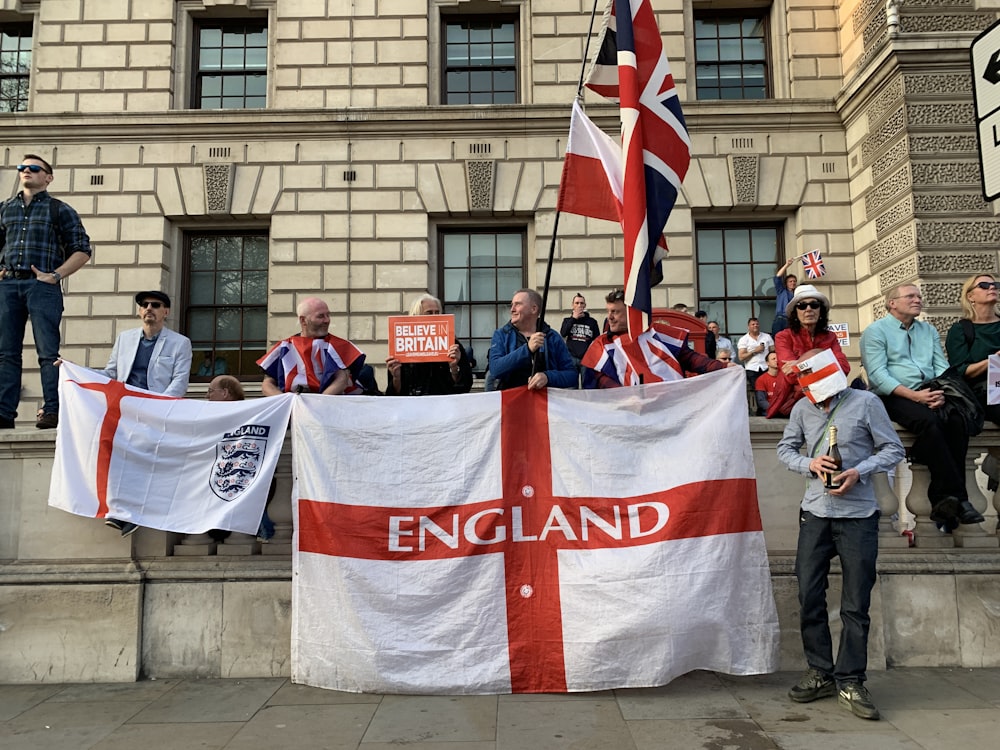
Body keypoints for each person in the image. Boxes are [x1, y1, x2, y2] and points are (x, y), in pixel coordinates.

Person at [777, 349, 905, 722]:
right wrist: (809, 463)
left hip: (858, 515)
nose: (807, 385)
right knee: (808, 592)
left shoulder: (865, 403)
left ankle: (851, 678)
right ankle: (820, 671)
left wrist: (859, 471)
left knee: (855, 600)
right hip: (814, 512)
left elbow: (892, 448)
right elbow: (786, 448)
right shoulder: (802, 408)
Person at [860, 283, 984, 530]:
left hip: (929, 390)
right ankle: (959, 497)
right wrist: (916, 397)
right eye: (910, 296)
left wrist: (938, 393)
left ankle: (941, 493)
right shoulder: (875, 332)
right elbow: (878, 376)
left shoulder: (927, 330)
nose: (917, 299)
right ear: (892, 303)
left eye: (918, 296)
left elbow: (940, 367)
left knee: (958, 421)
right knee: (930, 422)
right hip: (892, 394)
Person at [0, 154, 92, 429]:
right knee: (6, 353)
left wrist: (54, 276)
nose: (26, 171)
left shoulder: (59, 209)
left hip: (42, 287)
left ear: (48, 177)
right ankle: (4, 412)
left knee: (48, 353)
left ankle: (52, 409)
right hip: (8, 285)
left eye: (33, 168)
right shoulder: (5, 209)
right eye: (22, 167)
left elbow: (82, 249)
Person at [101, 290, 194, 537]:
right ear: (139, 310)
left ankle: (130, 513)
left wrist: (155, 407)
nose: (149, 308)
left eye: (156, 304)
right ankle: (118, 510)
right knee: (116, 457)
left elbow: (179, 383)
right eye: (144, 305)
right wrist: (75, 371)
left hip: (155, 412)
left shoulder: (180, 343)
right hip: (125, 409)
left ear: (166, 312)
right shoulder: (125, 339)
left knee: (142, 460)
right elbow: (111, 374)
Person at [583, 289, 727, 388]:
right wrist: (624, 397)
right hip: (626, 415)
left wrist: (723, 367)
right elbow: (601, 380)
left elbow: (691, 358)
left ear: (630, 313)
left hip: (666, 408)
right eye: (608, 311)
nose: (610, 317)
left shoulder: (656, 334)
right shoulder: (601, 345)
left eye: (615, 312)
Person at [205, 374, 273, 542]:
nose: (207, 396)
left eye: (211, 391)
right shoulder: (208, 418)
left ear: (225, 393)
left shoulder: (253, 416)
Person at [257, 297, 365, 396]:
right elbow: (267, 384)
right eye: (321, 316)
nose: (327, 320)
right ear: (303, 320)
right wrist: (287, 403)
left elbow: (342, 379)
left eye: (328, 315)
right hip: (295, 406)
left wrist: (318, 404)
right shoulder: (284, 347)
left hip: (331, 406)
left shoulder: (340, 346)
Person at [773, 284, 850, 415]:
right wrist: (825, 365)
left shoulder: (830, 336)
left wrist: (801, 365)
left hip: (829, 400)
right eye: (802, 306)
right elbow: (791, 376)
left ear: (820, 311)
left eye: (814, 305)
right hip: (793, 402)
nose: (808, 309)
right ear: (795, 313)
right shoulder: (783, 336)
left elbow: (843, 368)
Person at [385, 293, 472, 396]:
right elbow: (394, 395)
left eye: (437, 312)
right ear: (415, 316)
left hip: (444, 405)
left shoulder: (452, 344)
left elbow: (465, 387)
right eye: (429, 313)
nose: (434, 316)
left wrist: (454, 368)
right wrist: (396, 378)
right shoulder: (403, 344)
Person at [489, 288, 576, 391]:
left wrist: (547, 377)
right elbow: (495, 369)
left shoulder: (552, 337)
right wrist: (527, 350)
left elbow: (572, 375)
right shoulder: (501, 335)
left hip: (544, 404)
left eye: (518, 304)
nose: (512, 309)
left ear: (533, 309)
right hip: (512, 403)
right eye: (512, 304)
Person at [945, 274, 1000, 426]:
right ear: (970, 296)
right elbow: (960, 370)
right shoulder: (961, 329)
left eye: (995, 285)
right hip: (985, 395)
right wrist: (994, 361)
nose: (992, 287)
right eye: (983, 285)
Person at [559, 293, 600, 386]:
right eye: (576, 303)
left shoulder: (592, 322)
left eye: (581, 303)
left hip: (586, 358)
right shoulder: (567, 320)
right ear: (572, 305)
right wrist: (573, 318)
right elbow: (563, 333)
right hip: (571, 357)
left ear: (585, 305)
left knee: (587, 386)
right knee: (572, 386)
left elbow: (597, 340)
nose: (579, 305)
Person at [738, 317, 775, 414]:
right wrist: (755, 351)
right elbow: (741, 357)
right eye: (753, 324)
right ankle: (762, 410)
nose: (755, 326)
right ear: (748, 326)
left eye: (757, 324)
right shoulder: (744, 339)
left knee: (770, 388)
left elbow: (773, 351)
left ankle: (770, 408)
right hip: (752, 369)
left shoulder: (767, 337)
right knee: (758, 390)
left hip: (766, 367)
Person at [773, 256, 800, 336]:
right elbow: (777, 277)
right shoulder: (781, 291)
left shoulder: (797, 294)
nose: (793, 283)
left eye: (794, 281)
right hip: (780, 319)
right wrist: (787, 265)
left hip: (792, 321)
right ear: (786, 283)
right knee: (778, 340)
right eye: (790, 281)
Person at [755, 352, 783, 416]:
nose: (776, 360)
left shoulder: (785, 377)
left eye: (778, 358)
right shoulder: (761, 379)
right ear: (767, 363)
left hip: (783, 410)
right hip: (768, 410)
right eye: (773, 359)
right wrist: (775, 408)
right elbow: (761, 401)